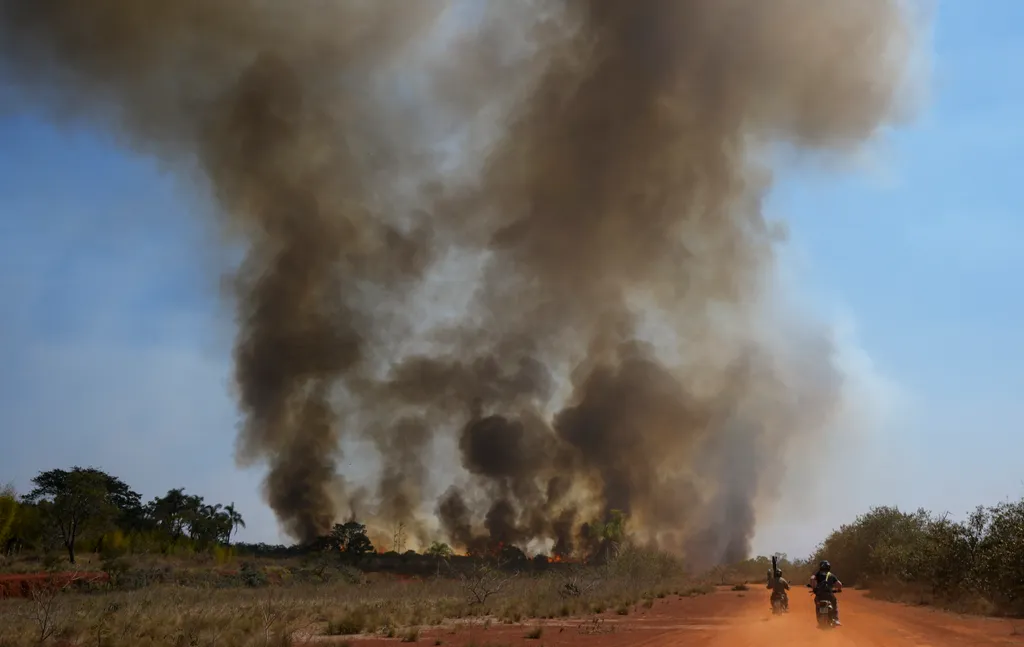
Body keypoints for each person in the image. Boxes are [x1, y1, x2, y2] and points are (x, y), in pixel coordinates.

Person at [807, 560, 843, 625]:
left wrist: (814, 588)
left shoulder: (817, 574)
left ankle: (819, 619)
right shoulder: (831, 575)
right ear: (829, 567)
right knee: (834, 603)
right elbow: (839, 584)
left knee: (817, 605)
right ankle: (835, 619)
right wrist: (838, 590)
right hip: (829, 595)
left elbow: (812, 579)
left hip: (819, 595)